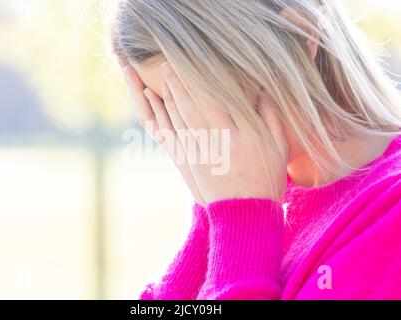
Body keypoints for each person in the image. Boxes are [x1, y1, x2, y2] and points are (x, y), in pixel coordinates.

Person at [110, 0, 401, 299]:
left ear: (298, 42)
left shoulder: (390, 216)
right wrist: (212, 214)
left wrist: (242, 217)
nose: (196, 138)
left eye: (208, 106)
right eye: (170, 111)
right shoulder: (254, 189)